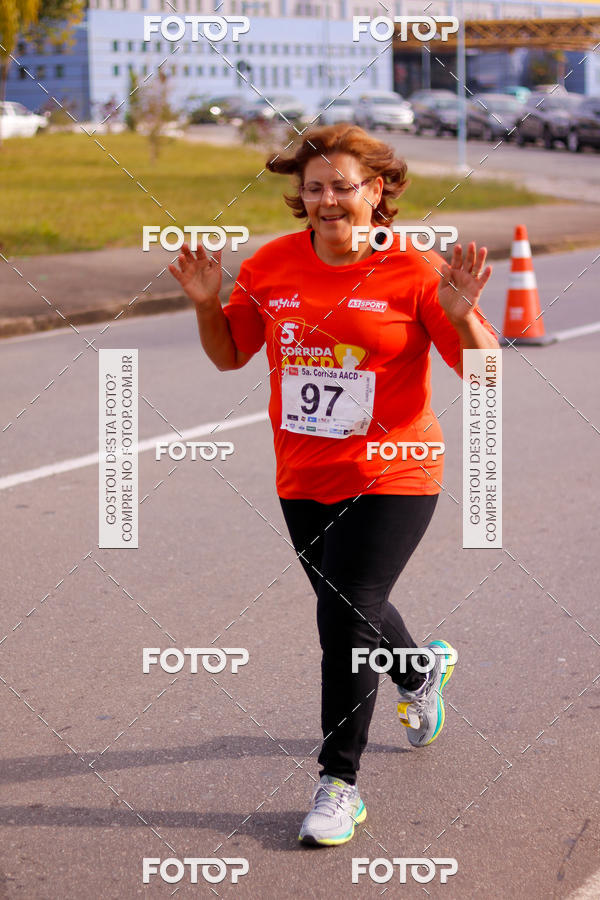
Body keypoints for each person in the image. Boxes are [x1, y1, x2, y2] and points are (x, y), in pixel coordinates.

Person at [168, 123, 499, 848]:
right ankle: (418, 668)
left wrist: (461, 312)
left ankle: (338, 784)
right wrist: (204, 302)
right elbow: (230, 356)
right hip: (304, 476)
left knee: (344, 615)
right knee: (352, 604)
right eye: (313, 188)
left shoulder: (413, 271)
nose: (325, 200)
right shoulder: (270, 266)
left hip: (397, 471)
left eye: (342, 186)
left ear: (376, 192)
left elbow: (485, 373)